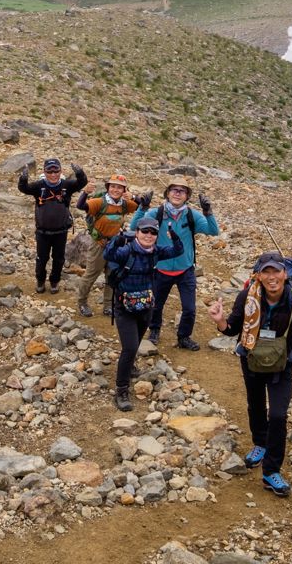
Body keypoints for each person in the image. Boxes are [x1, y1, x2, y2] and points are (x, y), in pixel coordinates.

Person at [207, 251, 292, 498]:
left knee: (279, 415)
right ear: (258, 276)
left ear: (285, 274)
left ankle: (271, 470)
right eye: (266, 272)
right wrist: (219, 320)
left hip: (282, 365)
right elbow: (232, 329)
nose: (272, 277)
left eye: (276, 272)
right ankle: (260, 443)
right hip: (251, 358)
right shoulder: (246, 297)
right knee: (256, 405)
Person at [130, 175, 220, 350]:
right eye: (174, 190)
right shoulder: (157, 213)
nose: (178, 193)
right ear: (167, 193)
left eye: (182, 191)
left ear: (187, 196)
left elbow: (213, 231)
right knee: (155, 305)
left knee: (189, 309)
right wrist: (143, 207)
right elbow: (134, 227)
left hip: (185, 270)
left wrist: (208, 212)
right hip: (160, 268)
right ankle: (154, 330)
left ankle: (184, 337)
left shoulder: (192, 216)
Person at [103, 216, 183, 411]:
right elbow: (108, 255)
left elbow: (178, 250)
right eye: (144, 231)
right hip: (125, 308)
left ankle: (129, 367)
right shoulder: (127, 251)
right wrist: (116, 240)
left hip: (146, 306)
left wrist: (173, 235)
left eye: (153, 232)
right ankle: (122, 390)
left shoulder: (156, 252)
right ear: (137, 232)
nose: (149, 235)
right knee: (129, 347)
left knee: (137, 342)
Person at [17, 158, 87, 293]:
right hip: (42, 232)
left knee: (59, 259)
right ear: (45, 171)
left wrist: (79, 172)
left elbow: (82, 182)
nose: (53, 174)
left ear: (60, 171)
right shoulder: (39, 186)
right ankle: (40, 281)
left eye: (56, 171)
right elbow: (24, 189)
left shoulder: (67, 185)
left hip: (61, 232)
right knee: (41, 259)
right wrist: (23, 178)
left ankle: (54, 282)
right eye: (50, 171)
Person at [75, 174, 139, 317]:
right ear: (108, 188)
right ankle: (82, 303)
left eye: (120, 187)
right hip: (99, 244)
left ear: (124, 190)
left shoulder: (124, 204)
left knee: (112, 275)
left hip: (116, 245)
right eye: (113, 186)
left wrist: (133, 196)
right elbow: (80, 206)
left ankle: (108, 305)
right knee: (91, 274)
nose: (116, 190)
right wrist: (85, 192)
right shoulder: (99, 202)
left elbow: (142, 204)